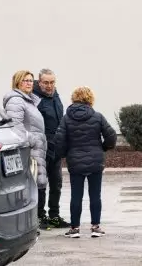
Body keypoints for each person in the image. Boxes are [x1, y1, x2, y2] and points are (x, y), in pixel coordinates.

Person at [53, 86, 117, 238]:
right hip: (96, 161)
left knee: (76, 195)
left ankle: (75, 228)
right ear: (90, 99)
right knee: (95, 195)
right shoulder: (98, 116)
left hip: (75, 161)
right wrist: (103, 148)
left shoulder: (66, 118)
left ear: (74, 99)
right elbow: (112, 136)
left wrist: (64, 154)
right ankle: (95, 227)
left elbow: (59, 140)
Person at [3, 71, 49, 228]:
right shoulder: (16, 100)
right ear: (17, 82)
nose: (29, 83)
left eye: (31, 80)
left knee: (37, 185)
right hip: (28, 152)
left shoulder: (29, 101)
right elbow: (16, 127)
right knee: (30, 187)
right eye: (25, 80)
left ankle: (34, 221)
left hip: (36, 151)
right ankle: (28, 224)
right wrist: (34, 140)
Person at [32, 68, 70, 229]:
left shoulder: (56, 96)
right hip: (41, 148)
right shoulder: (34, 99)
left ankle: (54, 215)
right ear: (39, 82)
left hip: (56, 147)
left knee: (56, 183)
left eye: (52, 82)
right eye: (46, 82)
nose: (49, 86)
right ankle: (40, 216)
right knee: (41, 183)